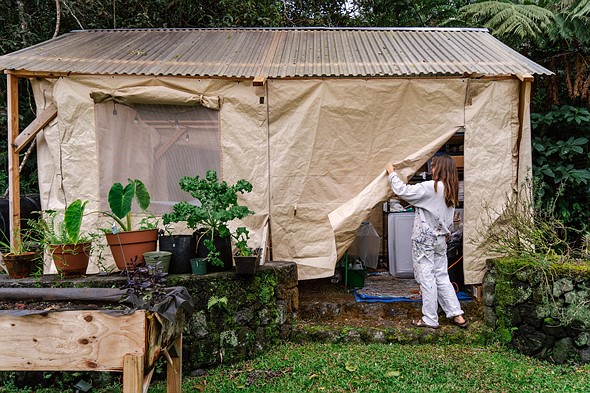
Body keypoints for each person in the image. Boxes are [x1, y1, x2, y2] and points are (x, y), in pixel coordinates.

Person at [386, 154, 468, 329]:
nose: (431, 169)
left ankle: (430, 319)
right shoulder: (450, 189)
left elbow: (403, 191)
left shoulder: (432, 187)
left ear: (440, 169)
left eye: (434, 166)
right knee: (442, 276)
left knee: (427, 278)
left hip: (425, 240)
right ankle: (457, 314)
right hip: (440, 240)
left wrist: (392, 173)